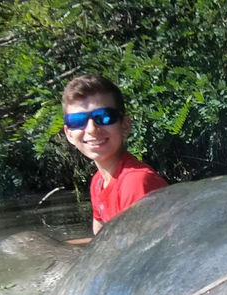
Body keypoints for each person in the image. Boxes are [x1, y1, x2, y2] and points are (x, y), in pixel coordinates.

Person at [62, 74, 168, 235]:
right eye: (77, 121)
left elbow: (143, 251)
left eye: (104, 117)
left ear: (124, 126)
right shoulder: (98, 182)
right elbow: (99, 242)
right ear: (69, 133)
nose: (91, 129)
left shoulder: (136, 183)